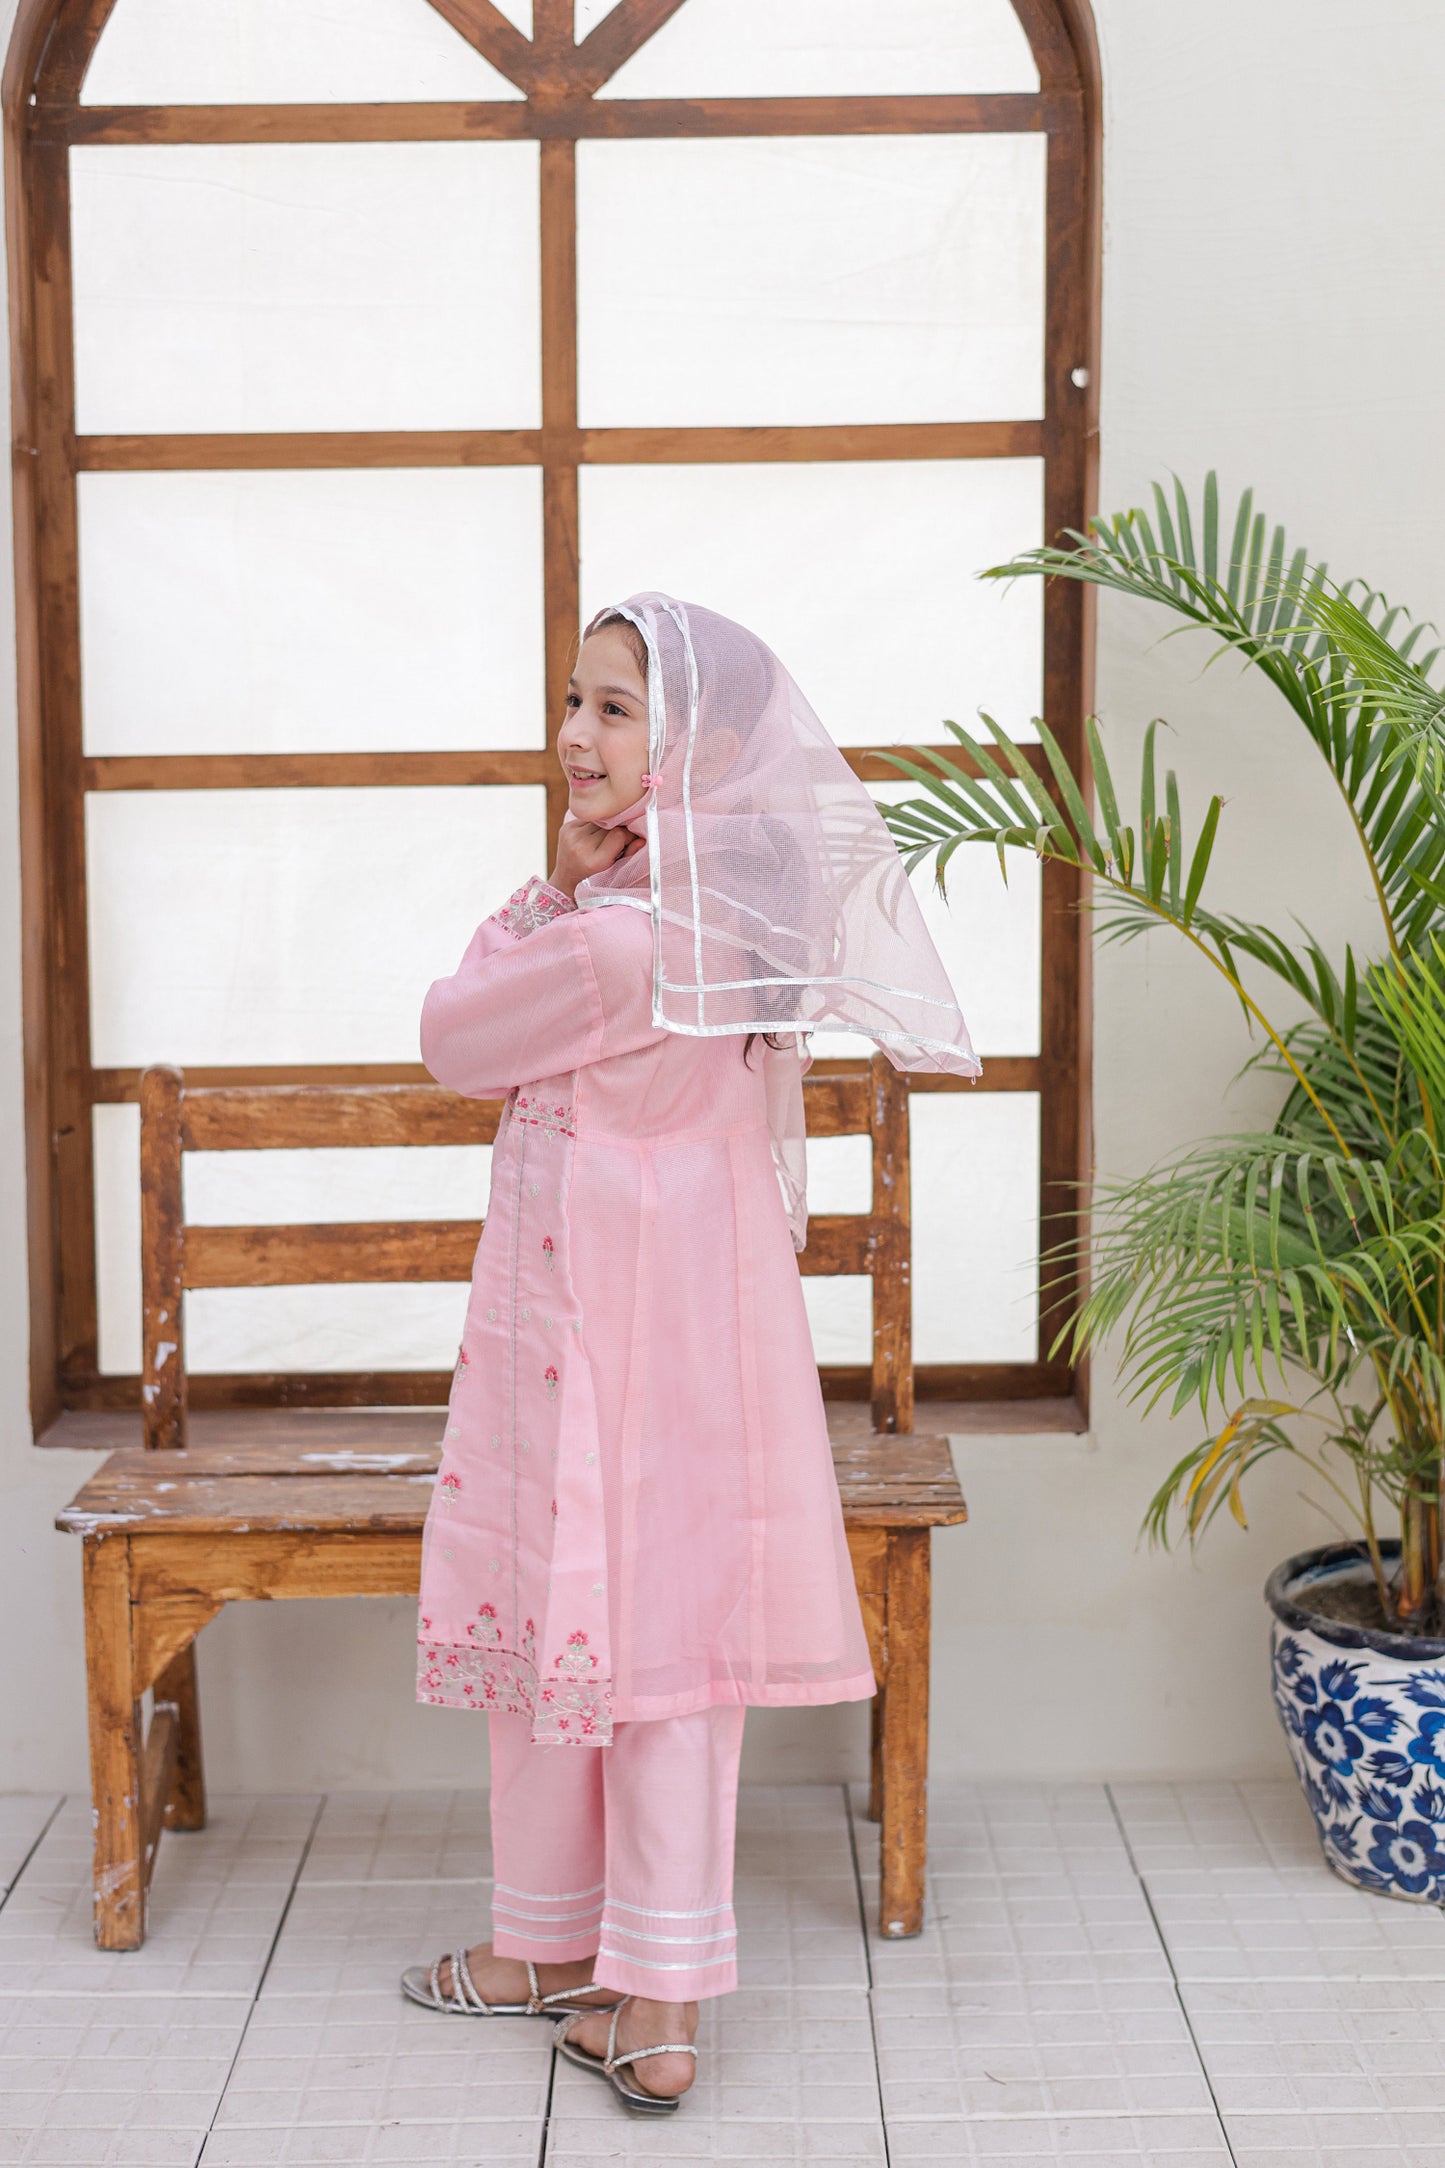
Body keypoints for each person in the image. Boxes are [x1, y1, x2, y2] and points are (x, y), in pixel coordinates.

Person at [401, 594, 980, 2113]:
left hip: (597, 1337)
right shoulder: (734, 925)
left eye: (614, 710)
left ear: (696, 749)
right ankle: (590, 1964)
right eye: (572, 700)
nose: (574, 736)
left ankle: (626, 1988)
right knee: (622, 1632)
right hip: (674, 1335)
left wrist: (546, 888)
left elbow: (453, 1039)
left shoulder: (616, 939)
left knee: (615, 1629)